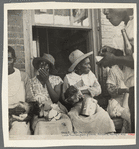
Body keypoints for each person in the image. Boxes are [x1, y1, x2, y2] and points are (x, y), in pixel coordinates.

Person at [97, 8, 135, 133]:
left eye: (109, 6)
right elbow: (131, 54)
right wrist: (114, 52)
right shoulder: (128, 25)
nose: (105, 12)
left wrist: (114, 59)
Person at [62, 49, 115, 134]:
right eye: (86, 64)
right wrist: (73, 97)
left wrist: (85, 91)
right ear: (78, 66)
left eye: (89, 63)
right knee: (73, 118)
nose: (90, 66)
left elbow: (99, 89)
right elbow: (65, 98)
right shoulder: (68, 78)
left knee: (104, 116)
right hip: (77, 107)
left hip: (92, 104)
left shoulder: (90, 74)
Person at [30, 53, 73, 135]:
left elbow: (55, 99)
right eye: (41, 63)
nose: (43, 66)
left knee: (65, 122)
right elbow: (31, 102)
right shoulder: (31, 81)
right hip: (39, 113)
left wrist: (46, 80)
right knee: (40, 126)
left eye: (46, 64)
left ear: (49, 68)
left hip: (56, 110)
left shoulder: (56, 79)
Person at [8, 46, 35, 135]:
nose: (5, 63)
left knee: (18, 132)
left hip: (19, 119)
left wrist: (26, 110)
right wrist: (10, 111)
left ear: (14, 60)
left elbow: (31, 101)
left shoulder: (23, 77)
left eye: (9, 59)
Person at [106, 50, 131, 133]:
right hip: (117, 102)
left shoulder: (129, 69)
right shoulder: (113, 70)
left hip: (129, 100)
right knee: (128, 116)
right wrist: (125, 90)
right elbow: (110, 90)